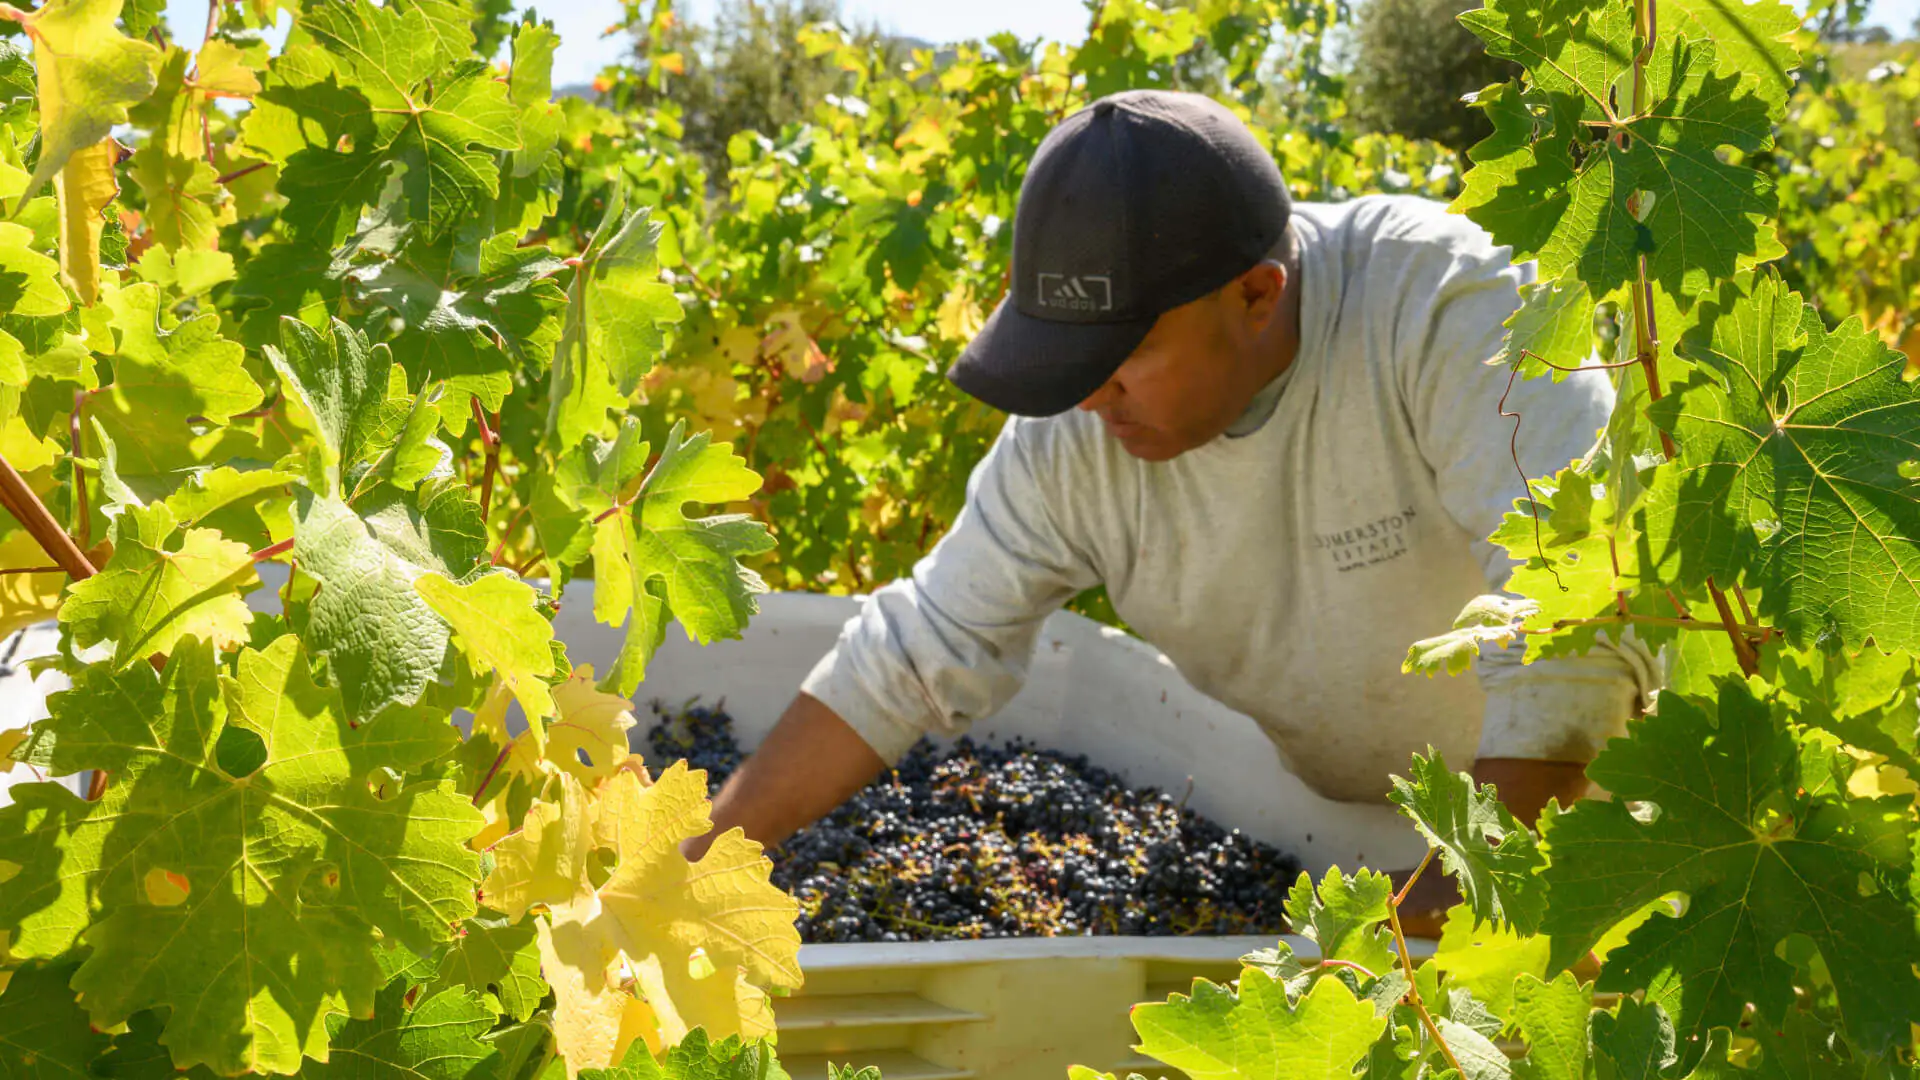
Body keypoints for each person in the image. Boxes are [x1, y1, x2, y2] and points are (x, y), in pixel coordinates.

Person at [684, 89, 1653, 930]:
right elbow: (913, 650)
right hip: (1346, 840)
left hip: (1584, 830)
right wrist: (702, 859)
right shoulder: (1078, 429)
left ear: (1257, 296)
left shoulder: (1439, 306)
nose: (1087, 398)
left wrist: (1476, 879)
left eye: (1120, 360)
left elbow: (1575, 614)